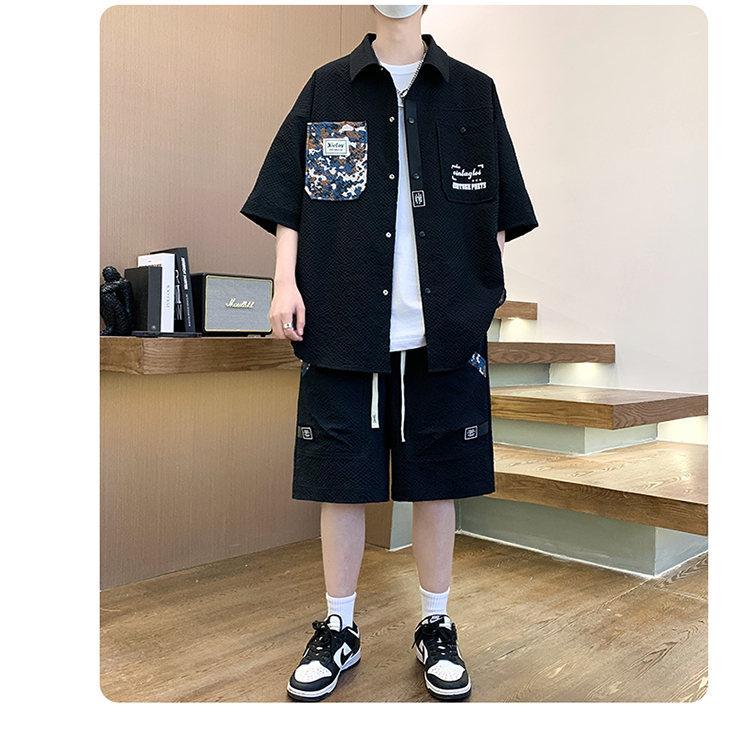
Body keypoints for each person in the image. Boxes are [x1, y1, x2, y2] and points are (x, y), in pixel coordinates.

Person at [240, 4, 537, 702]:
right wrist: (284, 283)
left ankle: (436, 623)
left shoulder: (473, 91)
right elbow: (291, 197)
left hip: (444, 330)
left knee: (437, 483)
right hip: (344, 320)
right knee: (340, 480)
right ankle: (338, 627)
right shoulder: (328, 87)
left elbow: (502, 206)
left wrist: (478, 289)